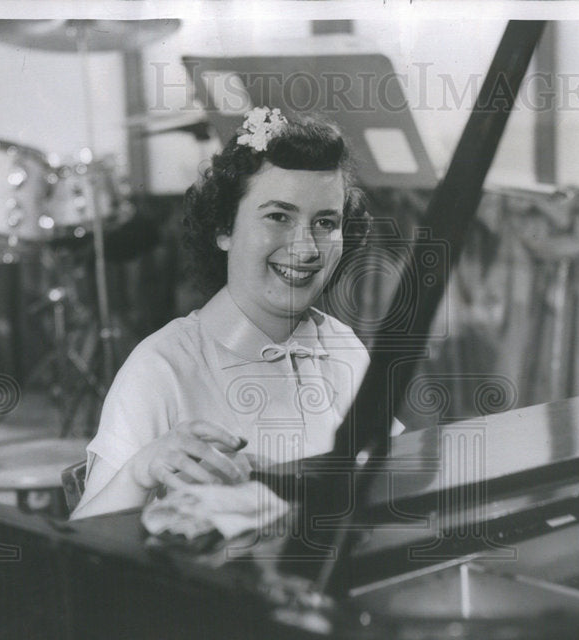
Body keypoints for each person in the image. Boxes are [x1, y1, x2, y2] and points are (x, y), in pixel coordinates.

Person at [71, 108, 372, 519]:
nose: (306, 249)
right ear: (224, 228)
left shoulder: (344, 347)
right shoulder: (161, 368)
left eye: (325, 222)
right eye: (279, 217)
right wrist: (137, 475)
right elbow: (86, 538)